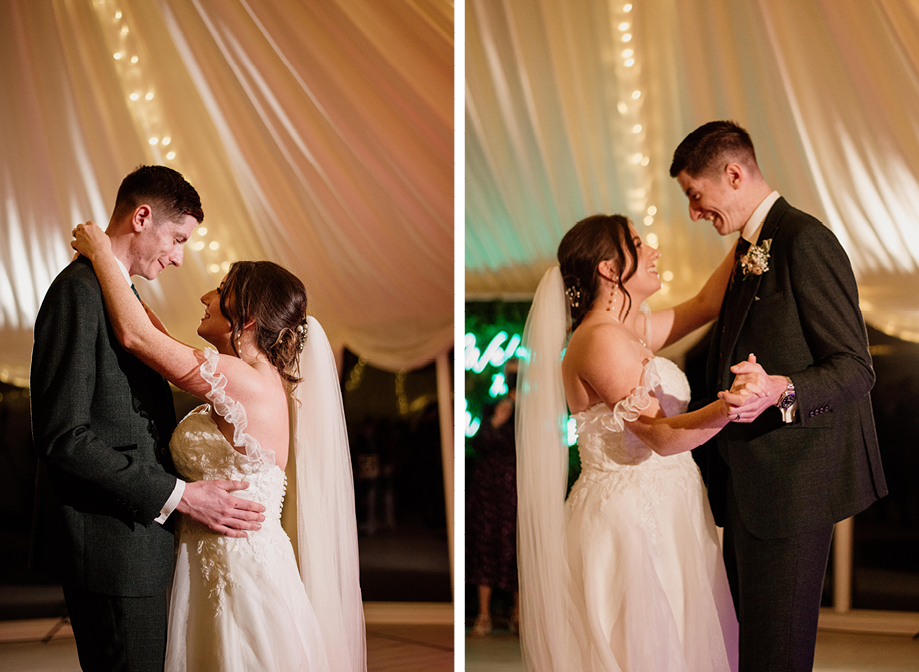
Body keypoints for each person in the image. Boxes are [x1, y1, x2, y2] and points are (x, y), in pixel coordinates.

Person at [71, 221, 366, 671]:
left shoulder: (245, 380)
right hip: (216, 564)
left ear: (245, 319)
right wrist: (122, 273)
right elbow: (157, 336)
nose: (206, 296)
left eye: (221, 289)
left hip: (239, 575)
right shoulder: (244, 377)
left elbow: (138, 338)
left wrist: (102, 253)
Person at [669, 120, 888, 671]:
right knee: (753, 653)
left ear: (734, 174)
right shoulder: (749, 249)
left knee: (778, 657)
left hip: (793, 488)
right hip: (751, 488)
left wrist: (780, 390)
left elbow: (856, 368)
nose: (694, 213)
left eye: (696, 195)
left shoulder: (804, 240)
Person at [29, 166, 266, 672]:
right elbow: (64, 437)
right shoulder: (78, 291)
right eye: (178, 238)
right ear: (142, 217)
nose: (180, 257)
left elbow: (144, 341)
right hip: (112, 548)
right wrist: (181, 495)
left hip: (138, 544)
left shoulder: (119, 295)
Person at [517, 214, 763, 671]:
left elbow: (708, 302)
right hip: (630, 523)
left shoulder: (631, 330)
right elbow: (659, 438)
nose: (653, 250)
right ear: (609, 269)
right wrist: (735, 404)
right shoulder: (599, 342)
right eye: (636, 242)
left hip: (672, 509)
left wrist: (755, 226)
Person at [466, 359, 519, 637]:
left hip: (517, 486)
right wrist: (496, 421)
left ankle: (518, 612)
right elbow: (477, 443)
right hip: (488, 487)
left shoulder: (531, 411)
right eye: (511, 373)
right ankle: (484, 614)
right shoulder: (491, 407)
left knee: (516, 545)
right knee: (485, 545)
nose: (514, 378)